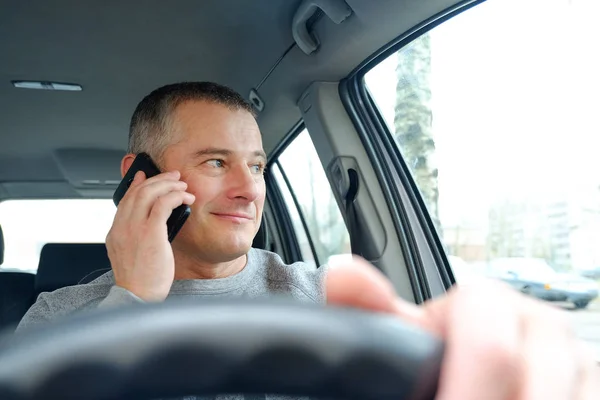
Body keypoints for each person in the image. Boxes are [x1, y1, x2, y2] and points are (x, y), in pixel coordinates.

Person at [17, 82, 599, 399]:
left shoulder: (327, 299)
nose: (250, 189)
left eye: (258, 165)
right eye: (217, 161)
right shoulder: (57, 317)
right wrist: (134, 304)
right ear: (139, 177)